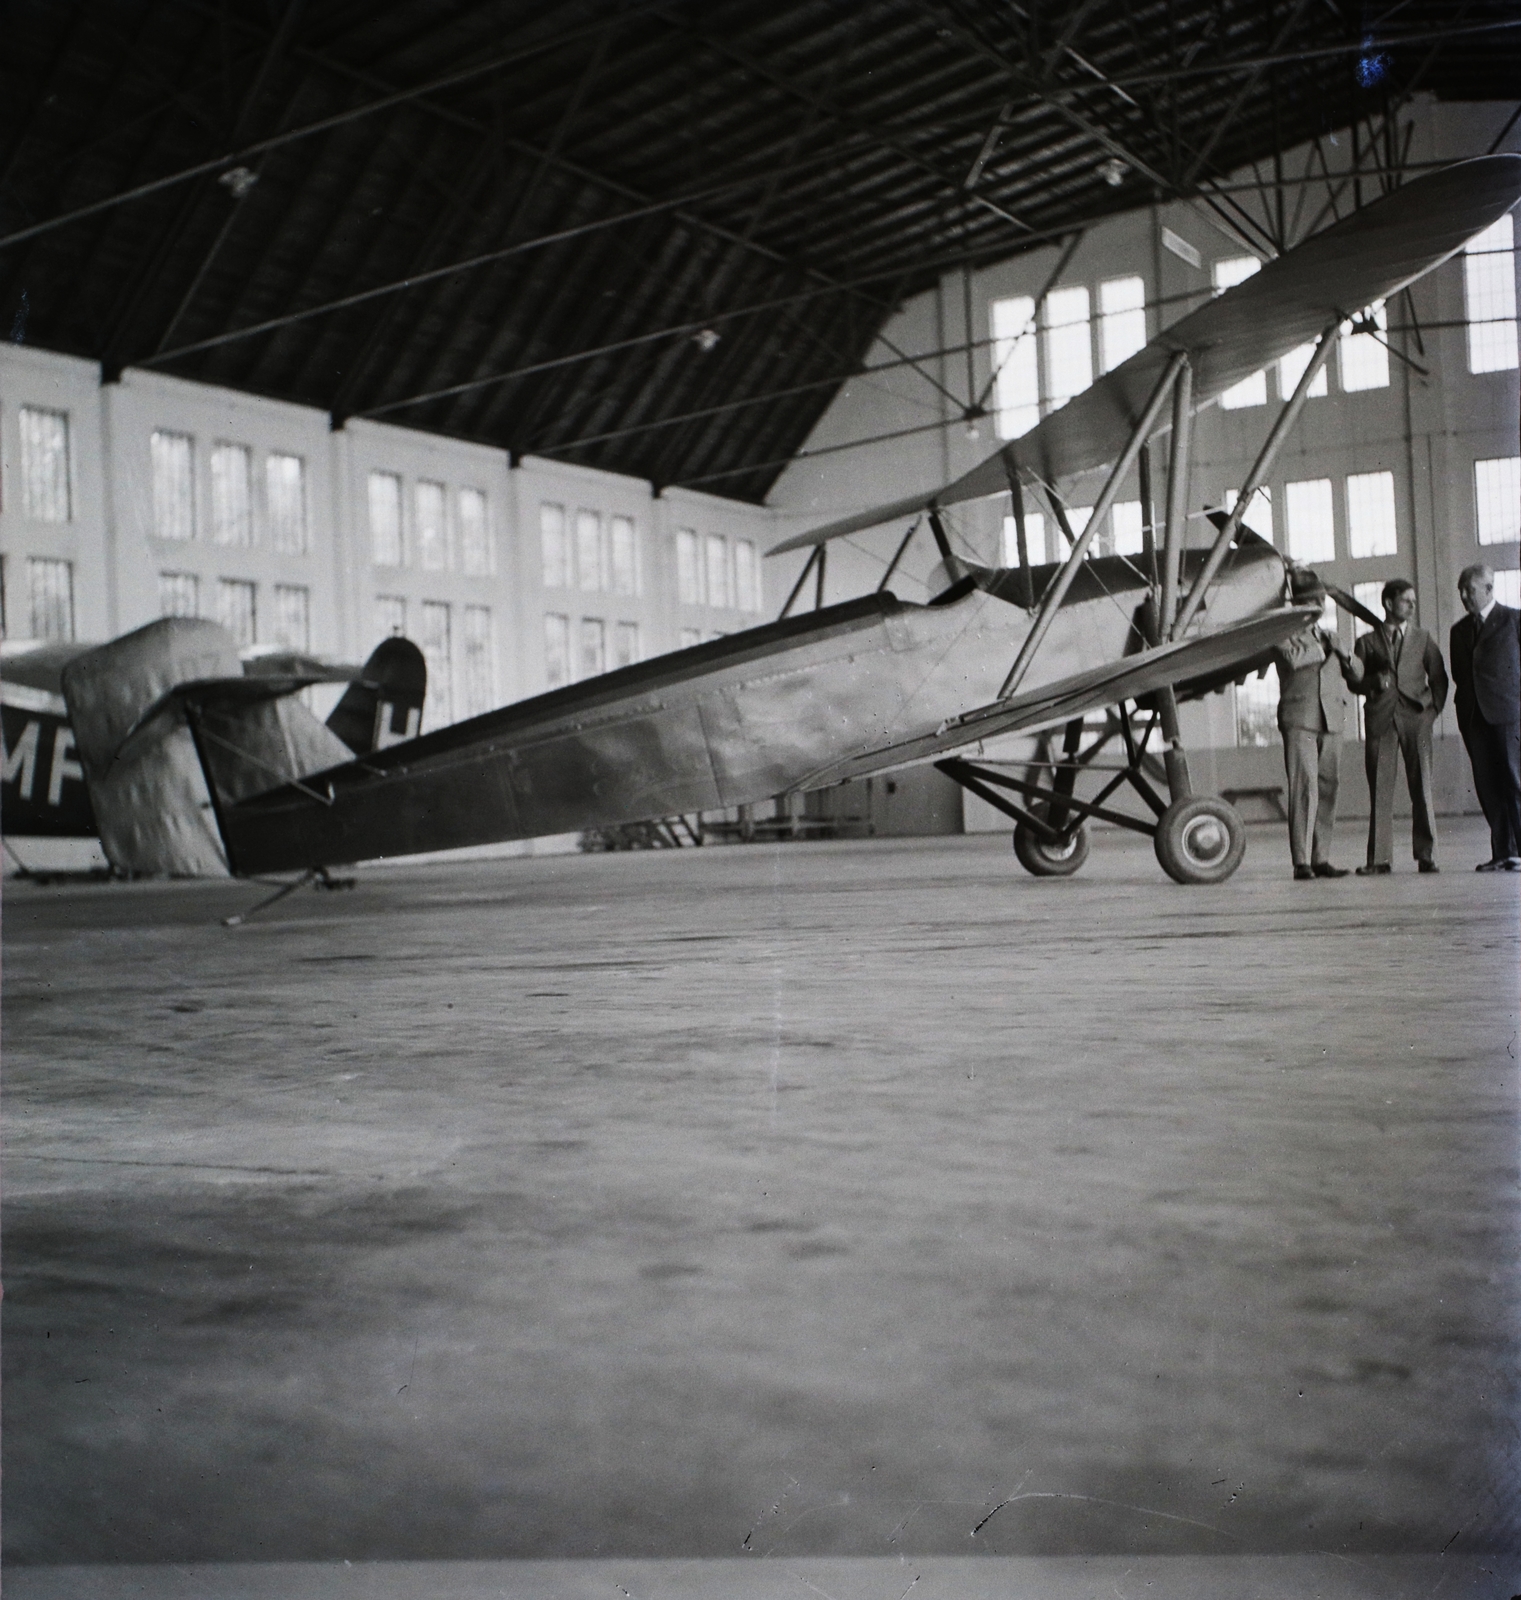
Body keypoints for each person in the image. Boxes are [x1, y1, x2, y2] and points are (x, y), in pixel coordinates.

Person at [1343, 577, 1449, 874]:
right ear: (1389, 603)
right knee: (1380, 789)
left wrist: (1433, 711)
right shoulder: (1366, 642)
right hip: (1380, 719)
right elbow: (1353, 682)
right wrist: (1371, 683)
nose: (1412, 605)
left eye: (1414, 601)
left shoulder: (1423, 638)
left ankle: (1427, 856)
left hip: (1417, 717)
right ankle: (1379, 860)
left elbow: (1439, 678)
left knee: (1422, 788)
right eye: (1406, 600)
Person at [1271, 569, 1352, 879]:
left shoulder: (1331, 636)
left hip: (1332, 721)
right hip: (1299, 719)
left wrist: (1343, 651)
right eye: (1313, 600)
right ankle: (1301, 861)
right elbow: (1293, 659)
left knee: (1329, 789)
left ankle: (1321, 858)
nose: (1319, 604)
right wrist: (1326, 649)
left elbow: (1355, 671)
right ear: (1299, 604)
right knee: (1305, 789)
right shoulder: (1283, 632)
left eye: (1321, 600)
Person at [1450, 563, 1521, 871]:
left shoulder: (1514, 620)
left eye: (1470, 590)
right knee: (1487, 786)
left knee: (1514, 781)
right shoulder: (1459, 630)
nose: (1464, 596)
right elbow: (1459, 675)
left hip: (1509, 714)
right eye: (1461, 591)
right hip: (1474, 717)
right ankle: (1502, 852)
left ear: (1489, 589)